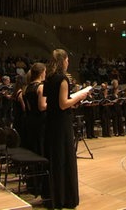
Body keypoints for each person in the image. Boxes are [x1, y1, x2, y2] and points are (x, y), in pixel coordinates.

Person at [43, 49, 88, 209]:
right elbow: (63, 104)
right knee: (65, 158)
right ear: (63, 61)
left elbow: (52, 102)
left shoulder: (49, 78)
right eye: (68, 60)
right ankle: (66, 198)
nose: (68, 63)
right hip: (62, 123)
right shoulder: (62, 79)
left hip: (52, 122)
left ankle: (56, 196)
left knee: (56, 159)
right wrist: (78, 97)